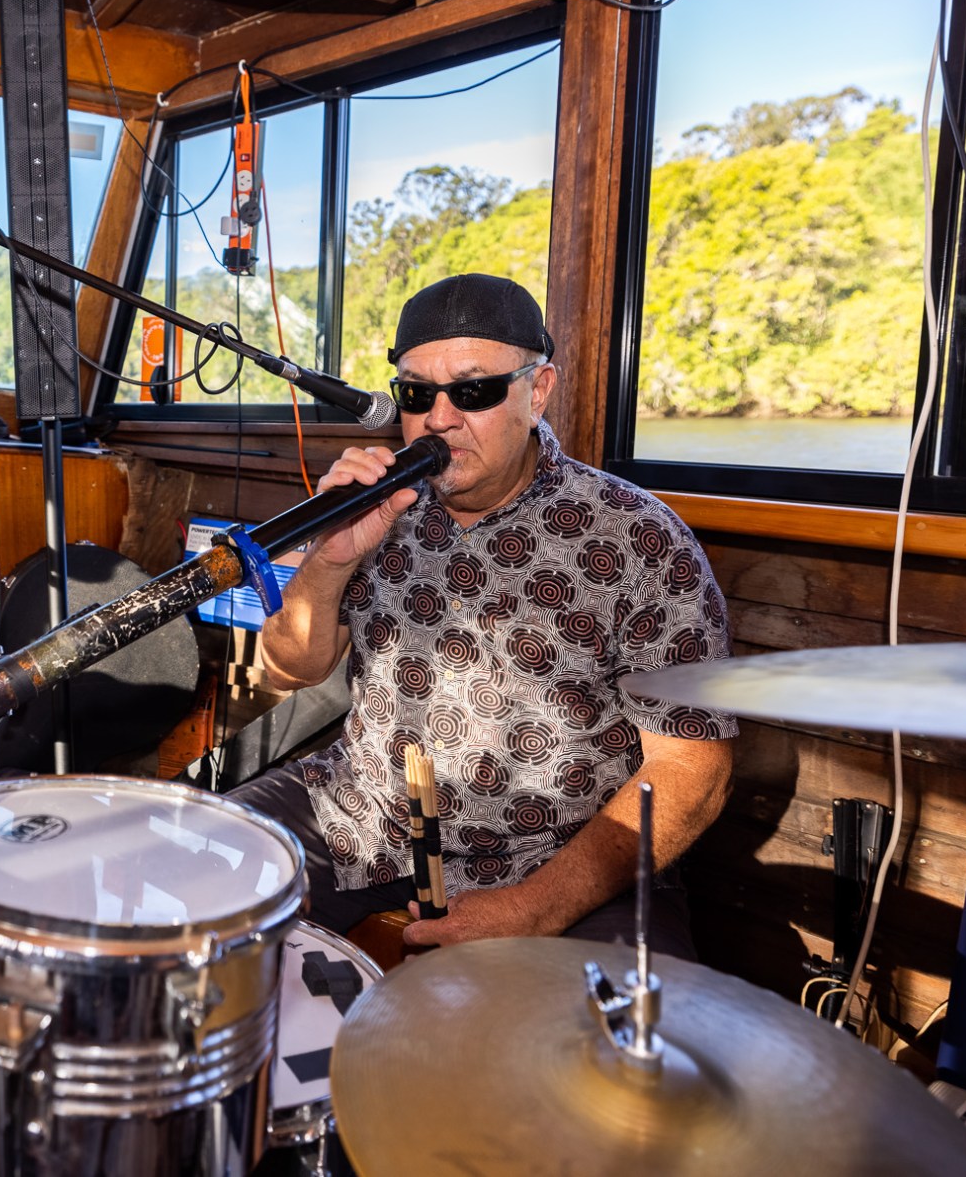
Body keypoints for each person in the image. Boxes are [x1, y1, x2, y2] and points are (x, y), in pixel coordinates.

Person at [238, 273, 736, 958]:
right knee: (194, 867)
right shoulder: (384, 507)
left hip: (562, 855)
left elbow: (692, 769)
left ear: (537, 393)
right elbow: (291, 666)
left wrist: (535, 909)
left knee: (606, 1050)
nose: (439, 418)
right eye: (417, 393)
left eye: (472, 391)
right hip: (365, 809)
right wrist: (331, 558)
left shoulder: (638, 539)